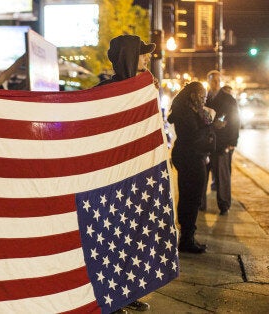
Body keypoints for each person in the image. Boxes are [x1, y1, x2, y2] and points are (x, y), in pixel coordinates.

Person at [97, 34, 155, 314]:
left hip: (138, 179)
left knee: (133, 239)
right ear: (129, 56)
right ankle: (113, 298)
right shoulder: (105, 91)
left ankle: (128, 291)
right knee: (112, 241)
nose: (147, 58)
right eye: (143, 54)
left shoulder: (144, 87)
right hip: (112, 183)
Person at [167, 82, 225, 254]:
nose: (204, 99)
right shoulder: (184, 113)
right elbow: (192, 137)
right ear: (193, 95)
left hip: (194, 156)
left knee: (192, 198)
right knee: (190, 198)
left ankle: (188, 236)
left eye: (205, 96)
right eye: (201, 96)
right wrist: (212, 127)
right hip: (189, 157)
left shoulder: (194, 111)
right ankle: (186, 239)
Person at [202, 71, 240, 215]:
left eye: (218, 80)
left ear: (221, 81)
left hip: (221, 143)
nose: (216, 83)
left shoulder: (228, 99)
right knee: (203, 176)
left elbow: (235, 121)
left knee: (222, 177)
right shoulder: (204, 97)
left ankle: (224, 205)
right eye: (213, 80)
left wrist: (233, 141)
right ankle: (201, 203)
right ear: (208, 81)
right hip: (205, 143)